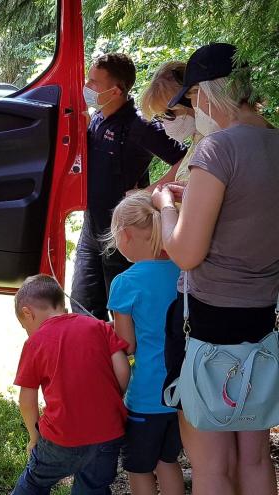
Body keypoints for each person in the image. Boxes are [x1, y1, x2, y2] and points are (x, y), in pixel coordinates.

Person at [151, 42, 279, 495]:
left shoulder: (216, 150)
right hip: (264, 317)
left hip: (208, 321)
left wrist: (167, 206)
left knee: (210, 465)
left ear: (208, 93)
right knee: (256, 456)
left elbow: (185, 252)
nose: (192, 106)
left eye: (193, 97)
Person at [71, 53, 187, 321]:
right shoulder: (97, 119)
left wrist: (150, 192)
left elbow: (184, 160)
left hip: (125, 232)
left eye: (93, 82)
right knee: (83, 308)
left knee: (123, 314)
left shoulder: (140, 125)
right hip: (92, 230)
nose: (86, 87)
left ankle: (126, 362)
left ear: (116, 90)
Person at [11, 274, 130, 494]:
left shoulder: (35, 342)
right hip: (109, 434)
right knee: (93, 488)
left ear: (28, 312)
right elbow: (123, 370)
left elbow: (26, 401)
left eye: (24, 325)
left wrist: (34, 437)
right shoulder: (99, 327)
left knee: (34, 482)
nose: (27, 331)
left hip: (61, 438)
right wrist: (111, 398)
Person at [105, 191, 184, 495]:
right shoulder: (184, 269)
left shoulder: (125, 283)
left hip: (146, 395)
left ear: (124, 235)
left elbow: (126, 344)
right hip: (181, 392)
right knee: (168, 462)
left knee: (139, 469)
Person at [141, 61, 203, 182]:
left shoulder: (215, 141)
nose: (165, 122)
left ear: (190, 99)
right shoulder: (198, 137)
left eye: (168, 113)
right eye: (160, 117)